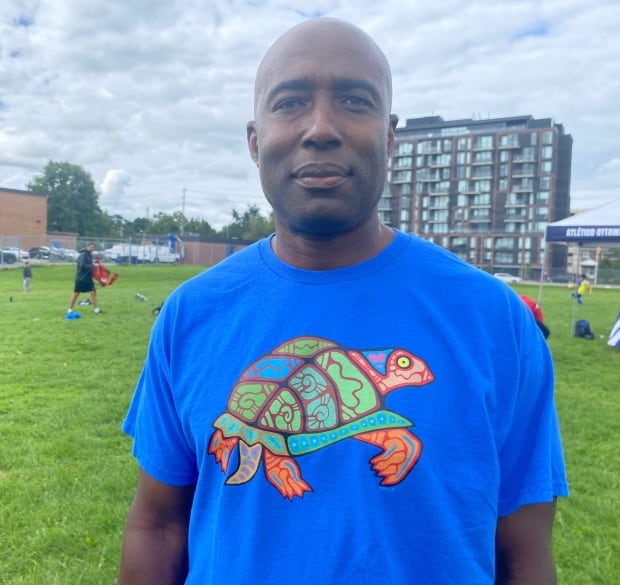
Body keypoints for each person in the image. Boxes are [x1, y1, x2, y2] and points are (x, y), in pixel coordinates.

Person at [118, 18, 568, 585]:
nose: (321, 128)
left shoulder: (496, 321)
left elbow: (523, 554)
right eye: (290, 103)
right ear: (255, 141)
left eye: (355, 101)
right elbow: (157, 527)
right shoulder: (191, 314)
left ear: (389, 135)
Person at [67, 242, 100, 316]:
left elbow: (89, 265)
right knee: (76, 293)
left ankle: (96, 310)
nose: (92, 248)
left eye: (93, 247)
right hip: (81, 278)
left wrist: (94, 264)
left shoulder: (90, 255)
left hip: (88, 277)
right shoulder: (83, 255)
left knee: (93, 292)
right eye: (91, 247)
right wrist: (93, 265)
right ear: (87, 247)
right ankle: (70, 310)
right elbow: (83, 265)